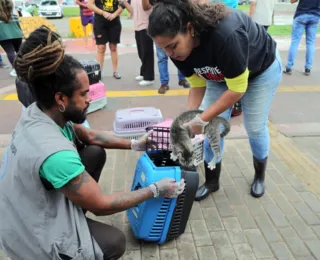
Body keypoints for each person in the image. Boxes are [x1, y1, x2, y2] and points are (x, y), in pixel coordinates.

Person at [0, 26, 185, 260]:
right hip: (31, 237)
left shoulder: (40, 112)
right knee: (114, 242)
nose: (90, 99)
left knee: (94, 153)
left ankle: (74, 212)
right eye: (84, 94)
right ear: (61, 98)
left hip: (23, 211)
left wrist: (137, 144)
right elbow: (102, 204)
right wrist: (155, 190)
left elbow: (91, 137)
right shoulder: (54, 153)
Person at [148, 0, 282, 200]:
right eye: (164, 49)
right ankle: (212, 181)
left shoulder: (226, 34)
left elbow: (237, 89)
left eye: (172, 46)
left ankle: (259, 175)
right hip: (218, 74)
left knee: (254, 127)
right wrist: (188, 120)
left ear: (190, 29)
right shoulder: (175, 46)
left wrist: (201, 118)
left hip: (260, 70)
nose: (169, 54)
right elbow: (197, 85)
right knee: (211, 129)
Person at [142, 0, 191, 94]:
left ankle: (183, 78)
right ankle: (164, 83)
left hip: (175, 24)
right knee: (162, 58)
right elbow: (145, 7)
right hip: (159, 27)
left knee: (180, 53)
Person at [121, 0, 155, 86]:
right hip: (137, 26)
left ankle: (149, 77)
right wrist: (124, 2)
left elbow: (147, 7)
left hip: (146, 26)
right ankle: (143, 73)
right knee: (141, 52)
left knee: (147, 52)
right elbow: (132, 11)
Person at [87, 0, 125, 79]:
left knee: (113, 47)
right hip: (100, 22)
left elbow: (123, 4)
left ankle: (115, 71)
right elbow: (89, 5)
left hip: (114, 22)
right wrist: (103, 12)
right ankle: (98, 73)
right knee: (101, 48)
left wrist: (114, 14)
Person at [283, 0, 319, 76]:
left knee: (295, 42)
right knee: (311, 42)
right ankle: (308, 68)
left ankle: (289, 67)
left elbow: (292, 1)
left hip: (301, 15)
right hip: (315, 15)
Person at [0, 0, 23, 77]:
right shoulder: (14, 15)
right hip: (17, 34)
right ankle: (24, 66)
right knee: (20, 51)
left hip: (3, 36)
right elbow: (19, 25)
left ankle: (16, 69)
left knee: (10, 52)